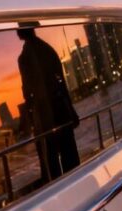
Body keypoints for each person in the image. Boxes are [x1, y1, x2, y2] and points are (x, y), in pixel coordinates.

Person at [17, 28, 81, 182]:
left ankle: (60, 186)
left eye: (18, 29)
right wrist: (71, 110)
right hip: (60, 110)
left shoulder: (24, 58)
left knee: (51, 162)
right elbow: (61, 82)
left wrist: (30, 119)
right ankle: (74, 184)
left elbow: (27, 91)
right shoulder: (47, 49)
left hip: (44, 116)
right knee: (69, 157)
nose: (16, 32)